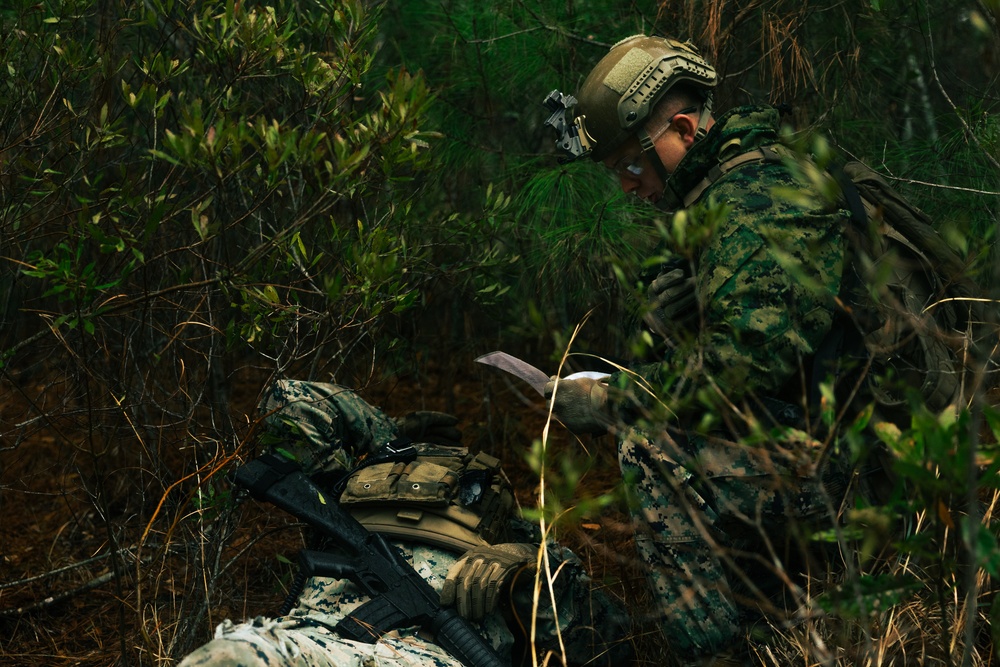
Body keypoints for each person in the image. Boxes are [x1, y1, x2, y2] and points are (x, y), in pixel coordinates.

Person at [543, 35, 864, 665]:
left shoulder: (754, 194)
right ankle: (775, 619)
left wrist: (614, 399)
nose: (629, 187)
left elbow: (742, 368)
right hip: (821, 434)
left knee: (651, 441)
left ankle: (717, 655)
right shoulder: (730, 186)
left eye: (630, 166)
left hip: (857, 462)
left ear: (683, 128)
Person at [180, 379, 632, 667]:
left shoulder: (517, 539)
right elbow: (292, 399)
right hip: (311, 634)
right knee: (232, 657)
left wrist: (527, 564)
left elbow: (609, 634)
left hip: (425, 653)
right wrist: (388, 436)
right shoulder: (336, 497)